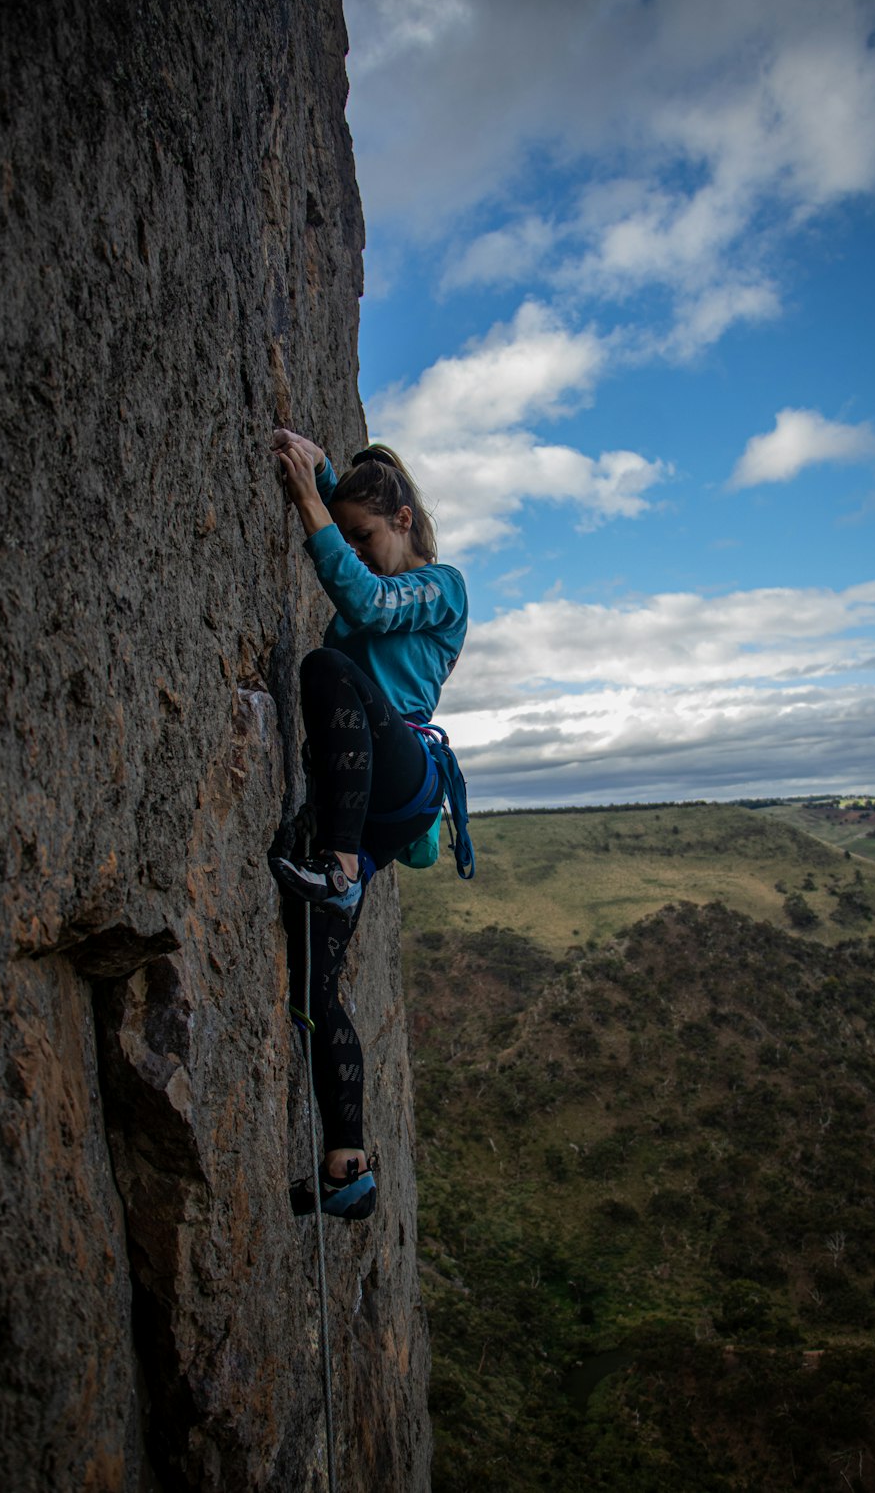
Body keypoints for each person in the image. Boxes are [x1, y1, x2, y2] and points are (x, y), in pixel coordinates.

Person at [270, 428, 468, 1220]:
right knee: (313, 988)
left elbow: (363, 598)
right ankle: (348, 1167)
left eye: (366, 534)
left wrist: (309, 500)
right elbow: (356, 577)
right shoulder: (375, 560)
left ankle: (341, 872)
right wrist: (319, 468)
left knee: (326, 666)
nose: (356, 548)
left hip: (406, 773)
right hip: (363, 797)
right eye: (346, 537)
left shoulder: (444, 584)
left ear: (407, 519)